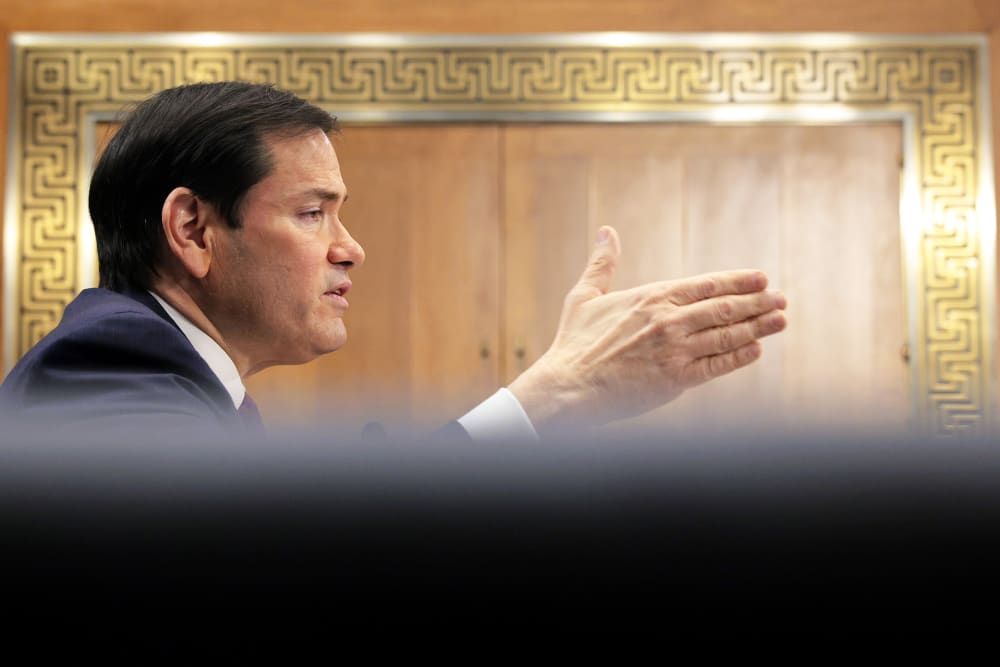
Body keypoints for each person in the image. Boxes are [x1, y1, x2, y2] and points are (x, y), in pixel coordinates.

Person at [0, 82, 787, 440]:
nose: (352, 247)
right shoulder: (107, 362)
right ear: (194, 229)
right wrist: (552, 395)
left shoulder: (186, 382)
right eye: (313, 212)